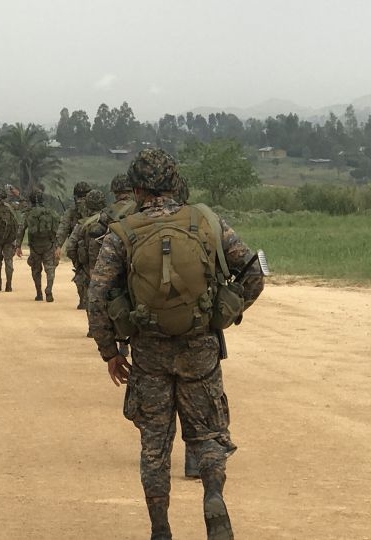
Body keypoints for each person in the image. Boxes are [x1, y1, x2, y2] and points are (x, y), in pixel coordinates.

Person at [87, 148, 264, 540]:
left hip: (148, 356)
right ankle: (214, 496)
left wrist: (111, 353)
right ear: (174, 183)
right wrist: (221, 315)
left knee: (154, 446)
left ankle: (160, 529)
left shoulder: (123, 232)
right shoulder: (207, 222)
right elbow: (252, 274)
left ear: (136, 188)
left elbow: (98, 296)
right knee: (209, 436)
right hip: (200, 352)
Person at [65, 189, 108, 316]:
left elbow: (70, 248)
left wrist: (78, 263)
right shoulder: (111, 221)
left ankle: (92, 327)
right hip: (109, 266)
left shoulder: (82, 224)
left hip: (88, 268)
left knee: (90, 297)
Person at [16, 190, 60, 301]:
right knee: (50, 269)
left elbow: (21, 230)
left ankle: (39, 293)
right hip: (49, 244)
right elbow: (58, 229)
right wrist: (58, 245)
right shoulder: (51, 212)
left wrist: (18, 246)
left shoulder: (28, 213)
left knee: (36, 270)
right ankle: (49, 289)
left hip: (34, 246)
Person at [56, 181, 92, 309]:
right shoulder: (95, 208)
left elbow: (63, 228)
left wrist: (58, 246)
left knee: (80, 272)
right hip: (95, 245)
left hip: (77, 248)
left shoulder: (71, 211)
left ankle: (83, 299)